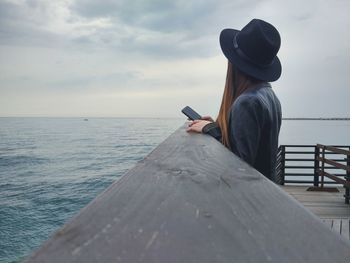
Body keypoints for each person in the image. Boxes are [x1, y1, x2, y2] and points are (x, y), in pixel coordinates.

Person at [187, 19, 282, 182]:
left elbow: (239, 165)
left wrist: (210, 129)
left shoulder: (247, 102)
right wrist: (220, 128)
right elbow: (253, 147)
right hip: (266, 191)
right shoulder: (269, 95)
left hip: (250, 198)